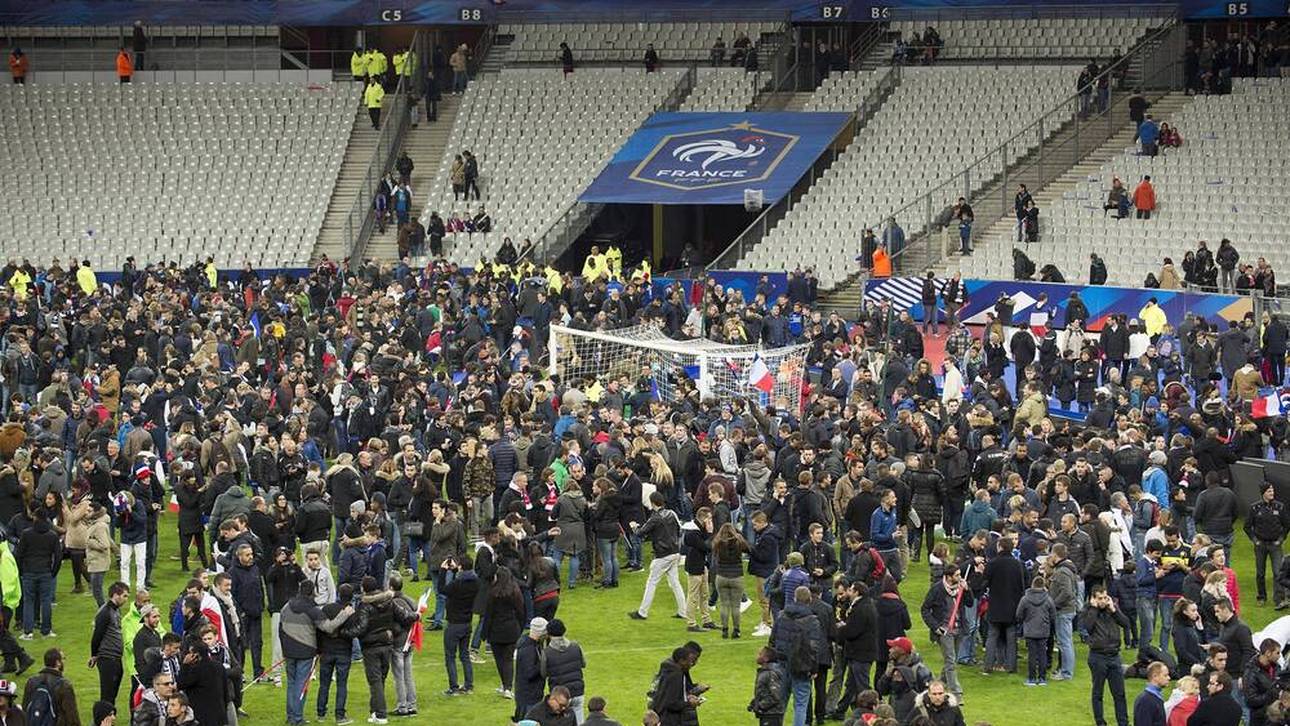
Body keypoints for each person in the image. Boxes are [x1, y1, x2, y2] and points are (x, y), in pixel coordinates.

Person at [629, 492, 686, 622]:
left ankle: (642, 612)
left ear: (653, 502)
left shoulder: (655, 518)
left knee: (652, 583)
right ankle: (683, 611)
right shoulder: (672, 513)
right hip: (674, 551)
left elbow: (640, 533)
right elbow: (679, 529)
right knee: (675, 583)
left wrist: (633, 527)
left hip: (663, 554)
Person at [1081, 586, 1130, 726]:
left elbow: (1126, 624)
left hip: (1114, 655)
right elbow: (1088, 628)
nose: (1103, 601)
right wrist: (1094, 609)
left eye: (1105, 597)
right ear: (1093, 599)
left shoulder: (1112, 609)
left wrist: (1114, 610)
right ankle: (1100, 722)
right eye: (1100, 598)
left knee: (1119, 693)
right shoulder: (1088, 610)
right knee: (1098, 693)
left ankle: (1123, 722)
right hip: (1098, 657)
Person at [1244, 483, 1287, 607]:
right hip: (1260, 545)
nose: (1272, 493)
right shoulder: (1254, 508)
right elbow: (1247, 526)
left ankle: (1279, 599)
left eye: (1272, 491)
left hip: (1275, 544)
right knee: (1260, 573)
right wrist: (1255, 540)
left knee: (1278, 572)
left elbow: (1286, 525)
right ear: (1263, 493)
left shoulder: (1280, 507)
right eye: (1269, 491)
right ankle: (1261, 597)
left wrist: (1281, 539)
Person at [89, 582, 128, 709]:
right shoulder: (105, 612)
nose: (126, 599)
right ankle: (103, 719)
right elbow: (97, 636)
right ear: (115, 595)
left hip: (115, 658)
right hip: (107, 659)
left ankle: (109, 718)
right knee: (107, 695)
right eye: (124, 596)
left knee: (112, 694)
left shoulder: (115, 610)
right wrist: (94, 655)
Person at [541, 619, 587, 722]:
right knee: (579, 721)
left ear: (549, 633)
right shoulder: (576, 646)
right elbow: (583, 664)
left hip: (559, 695)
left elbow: (543, 673)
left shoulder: (547, 652)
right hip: (577, 690)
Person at [1015, 575, 1056, 686]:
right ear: (1044, 586)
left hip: (1030, 630)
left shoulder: (1025, 599)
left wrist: (1025, 621)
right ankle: (1042, 678)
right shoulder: (1048, 599)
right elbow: (1053, 616)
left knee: (1032, 655)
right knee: (1043, 654)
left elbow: (1018, 615)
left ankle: (1032, 678)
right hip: (1044, 630)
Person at [22, 648, 79, 726]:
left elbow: (25, 709)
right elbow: (71, 716)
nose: (64, 662)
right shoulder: (64, 685)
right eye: (63, 659)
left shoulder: (31, 681)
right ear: (58, 662)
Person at [1132, 661, 1169, 726]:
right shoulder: (1145, 701)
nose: (1169, 678)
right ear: (1155, 676)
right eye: (1165, 675)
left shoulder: (1155, 697)